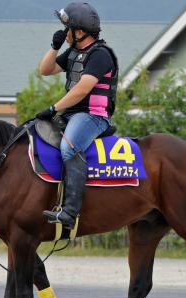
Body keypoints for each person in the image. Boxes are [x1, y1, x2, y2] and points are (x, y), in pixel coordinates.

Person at [37, 2, 119, 229]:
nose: (65, 33)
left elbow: (82, 90)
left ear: (79, 32)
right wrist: (54, 46)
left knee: (68, 147)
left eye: (67, 29)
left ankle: (70, 213)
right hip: (72, 114)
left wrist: (53, 109)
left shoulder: (100, 55)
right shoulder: (74, 52)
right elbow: (44, 70)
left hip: (93, 115)